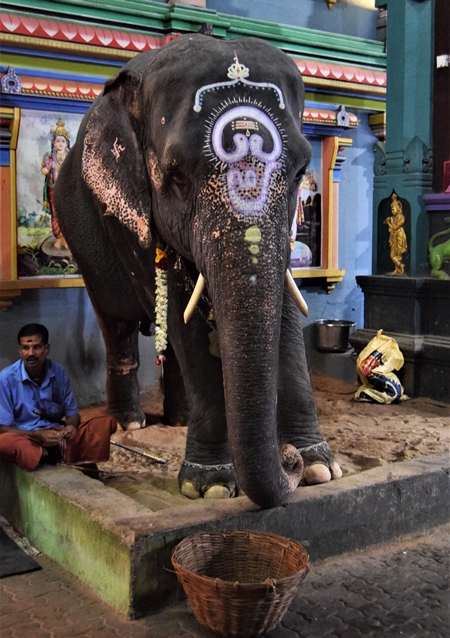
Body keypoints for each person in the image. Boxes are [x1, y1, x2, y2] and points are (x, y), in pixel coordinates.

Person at [0, 323, 117, 473]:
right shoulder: (5, 379)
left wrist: (71, 427)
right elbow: (2, 428)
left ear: (46, 349)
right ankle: (52, 453)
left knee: (105, 424)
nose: (31, 353)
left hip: (57, 435)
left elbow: (73, 414)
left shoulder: (59, 373)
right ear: (19, 351)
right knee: (5, 442)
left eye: (36, 347)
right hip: (27, 437)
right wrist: (36, 435)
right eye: (25, 348)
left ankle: (54, 452)